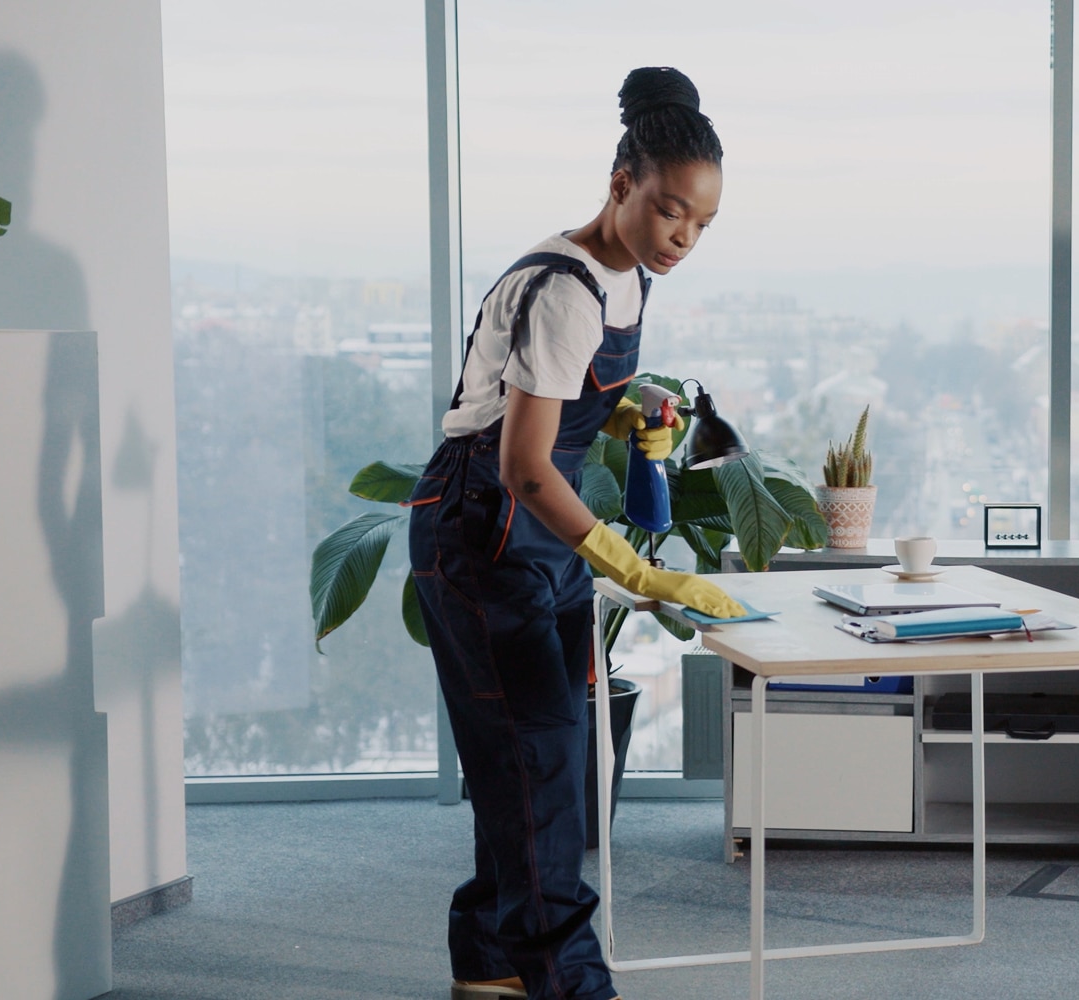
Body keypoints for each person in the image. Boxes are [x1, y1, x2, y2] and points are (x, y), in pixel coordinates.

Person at [409, 67, 745, 1000]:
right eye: (670, 211)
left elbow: (558, 403)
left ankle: (490, 963)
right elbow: (522, 463)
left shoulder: (628, 275)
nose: (683, 238)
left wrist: (629, 409)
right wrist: (638, 571)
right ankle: (569, 983)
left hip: (538, 533)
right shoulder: (564, 288)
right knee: (542, 767)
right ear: (620, 184)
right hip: (483, 526)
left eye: (703, 224)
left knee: (534, 761)